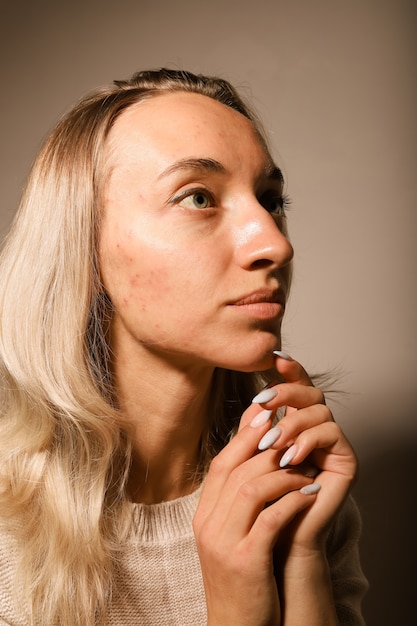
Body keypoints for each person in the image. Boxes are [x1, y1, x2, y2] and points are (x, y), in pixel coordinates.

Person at [0, 68, 368, 625]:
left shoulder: (290, 485)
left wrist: (300, 555)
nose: (274, 242)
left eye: (271, 199)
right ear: (84, 247)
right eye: (198, 197)